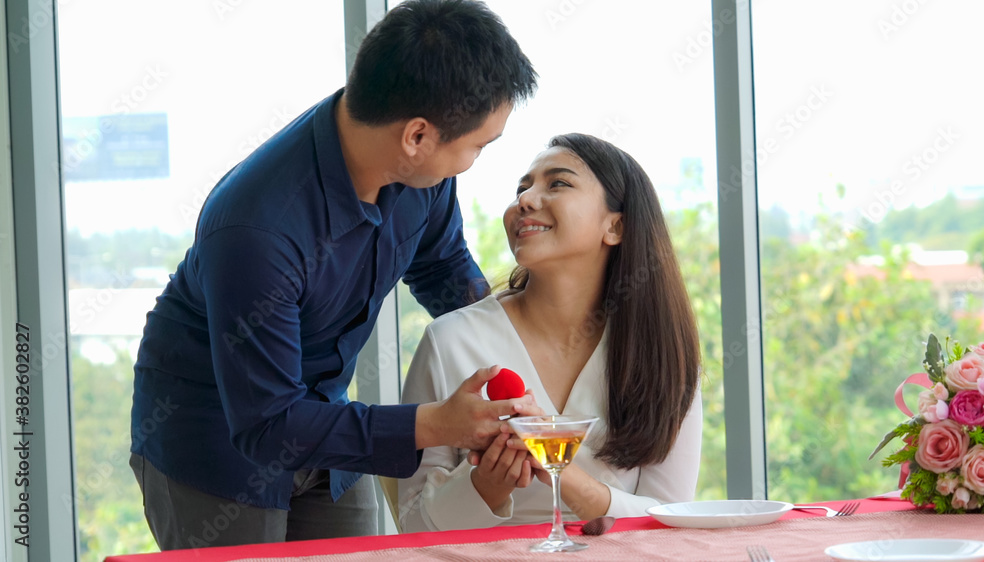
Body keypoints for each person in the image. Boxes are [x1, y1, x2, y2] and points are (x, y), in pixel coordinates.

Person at [129, 0, 541, 549]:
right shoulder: (258, 227)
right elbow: (267, 424)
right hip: (217, 437)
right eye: (477, 147)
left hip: (326, 419)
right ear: (417, 136)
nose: (472, 162)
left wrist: (515, 363)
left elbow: (444, 270)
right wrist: (436, 424)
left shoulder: (421, 176)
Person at [397, 133, 703, 532]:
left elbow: (673, 521)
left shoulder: (664, 357)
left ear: (616, 226)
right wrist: (485, 486)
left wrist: (575, 483)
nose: (525, 200)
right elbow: (413, 529)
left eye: (557, 183)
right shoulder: (450, 341)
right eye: (522, 188)